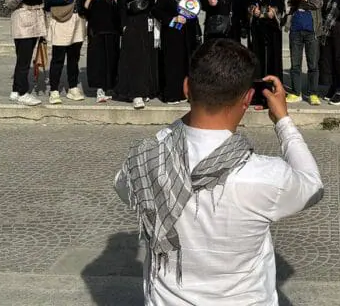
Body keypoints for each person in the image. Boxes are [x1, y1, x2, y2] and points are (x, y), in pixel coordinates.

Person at [116, 39, 323, 305]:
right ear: (248, 98)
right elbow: (312, 185)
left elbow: (123, 186)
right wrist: (283, 121)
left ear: (186, 87)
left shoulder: (147, 160)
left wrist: (174, 133)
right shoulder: (264, 176)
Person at [42, 0, 89, 104]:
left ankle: (73, 87)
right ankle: (54, 90)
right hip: (62, 19)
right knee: (58, 57)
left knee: (74, 57)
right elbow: (48, 1)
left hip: (78, 19)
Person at [152, 0, 201, 104]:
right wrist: (173, 19)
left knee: (188, 63)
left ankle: (187, 93)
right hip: (172, 35)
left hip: (189, 35)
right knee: (173, 65)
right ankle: (173, 94)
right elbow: (156, 11)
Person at [3, 0, 45, 106]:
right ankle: (22, 93)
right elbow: (8, 5)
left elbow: (39, 1)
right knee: (24, 60)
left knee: (22, 58)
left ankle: (15, 90)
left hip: (35, 21)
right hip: (22, 22)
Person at [120, 0, 159, 109]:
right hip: (133, 23)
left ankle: (145, 90)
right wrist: (123, 25)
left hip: (147, 24)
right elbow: (122, 4)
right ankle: (136, 94)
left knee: (146, 58)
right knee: (135, 59)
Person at [80, 0, 121, 104]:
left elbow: (121, 9)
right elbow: (83, 11)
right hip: (96, 32)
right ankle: (100, 90)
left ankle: (111, 88)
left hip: (113, 31)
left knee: (112, 60)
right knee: (97, 61)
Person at [286, 0, 323, 105]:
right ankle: (296, 92)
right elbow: (291, 0)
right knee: (295, 64)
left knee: (313, 64)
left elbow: (317, 3)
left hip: (312, 30)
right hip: (295, 29)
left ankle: (313, 93)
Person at [245, 0, 286, 81]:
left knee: (274, 57)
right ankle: (258, 86)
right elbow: (248, 1)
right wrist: (253, 9)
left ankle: (274, 85)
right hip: (257, 27)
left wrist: (273, 11)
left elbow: (280, 2)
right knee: (256, 57)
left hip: (272, 27)